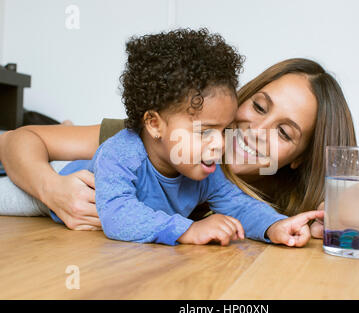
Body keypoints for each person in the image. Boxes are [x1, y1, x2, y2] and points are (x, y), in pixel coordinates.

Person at [0, 56, 359, 243]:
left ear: (300, 157)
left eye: (284, 133)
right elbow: (21, 140)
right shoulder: (160, 140)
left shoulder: (283, 195)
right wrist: (51, 189)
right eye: (259, 105)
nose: (254, 128)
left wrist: (350, 205)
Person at [0, 29, 324, 247]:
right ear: (154, 124)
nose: (220, 143)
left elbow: (239, 205)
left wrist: (274, 227)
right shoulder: (123, 152)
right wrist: (187, 230)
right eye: (205, 132)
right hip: (41, 194)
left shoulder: (206, 170)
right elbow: (117, 216)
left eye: (223, 131)